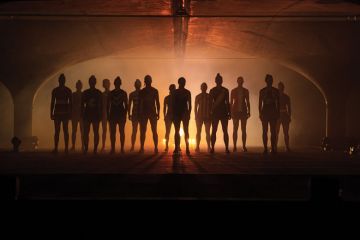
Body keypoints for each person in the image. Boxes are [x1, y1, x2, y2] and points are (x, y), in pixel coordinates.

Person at [50, 73, 72, 154]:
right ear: (59, 80)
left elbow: (71, 103)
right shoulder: (65, 90)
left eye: (63, 79)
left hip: (63, 113)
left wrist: (51, 113)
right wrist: (51, 113)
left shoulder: (65, 90)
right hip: (59, 113)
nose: (62, 81)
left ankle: (64, 148)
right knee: (58, 131)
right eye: (61, 79)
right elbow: (52, 102)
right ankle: (57, 148)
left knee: (63, 131)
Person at [209, 73, 231, 154]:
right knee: (214, 131)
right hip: (216, 112)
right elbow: (210, 103)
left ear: (221, 81)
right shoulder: (213, 90)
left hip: (223, 112)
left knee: (224, 131)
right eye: (218, 80)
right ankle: (213, 148)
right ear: (216, 81)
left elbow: (227, 102)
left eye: (219, 80)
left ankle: (226, 148)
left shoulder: (225, 90)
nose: (218, 81)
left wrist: (229, 112)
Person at [139, 75, 160, 154]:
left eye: (148, 80)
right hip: (147, 112)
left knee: (152, 130)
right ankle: (143, 147)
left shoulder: (153, 91)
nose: (148, 81)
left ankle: (155, 147)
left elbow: (157, 102)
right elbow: (141, 103)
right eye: (147, 80)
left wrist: (158, 112)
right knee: (145, 131)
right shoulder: (147, 91)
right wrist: (158, 112)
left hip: (151, 112)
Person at [259, 74, 280, 154]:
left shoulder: (275, 91)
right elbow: (260, 103)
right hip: (265, 112)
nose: (270, 81)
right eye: (269, 80)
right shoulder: (263, 91)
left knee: (273, 131)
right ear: (266, 81)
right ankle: (265, 148)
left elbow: (278, 103)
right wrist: (260, 113)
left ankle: (272, 148)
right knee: (265, 131)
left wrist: (278, 113)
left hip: (272, 112)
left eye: (270, 80)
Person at [81, 75, 102, 154]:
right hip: (88, 114)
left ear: (95, 82)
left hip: (94, 114)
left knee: (95, 132)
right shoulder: (86, 92)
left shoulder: (97, 93)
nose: (92, 83)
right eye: (91, 81)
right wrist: (82, 114)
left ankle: (94, 149)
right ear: (89, 82)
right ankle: (87, 148)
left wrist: (100, 114)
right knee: (87, 132)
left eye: (93, 81)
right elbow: (82, 104)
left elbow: (100, 105)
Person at [108, 77, 128, 154]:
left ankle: (120, 148)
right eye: (117, 82)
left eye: (118, 82)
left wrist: (125, 115)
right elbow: (108, 105)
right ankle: (115, 148)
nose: (117, 83)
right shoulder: (120, 93)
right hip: (115, 114)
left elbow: (126, 105)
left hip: (118, 114)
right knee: (116, 132)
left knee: (120, 132)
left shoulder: (122, 93)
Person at [231, 76, 250, 152]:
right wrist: (231, 112)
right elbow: (231, 102)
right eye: (239, 81)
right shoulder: (233, 91)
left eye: (241, 81)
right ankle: (235, 146)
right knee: (235, 129)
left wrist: (249, 111)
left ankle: (244, 146)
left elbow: (247, 101)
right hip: (236, 112)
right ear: (237, 82)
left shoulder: (246, 91)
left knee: (243, 129)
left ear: (242, 82)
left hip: (243, 112)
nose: (240, 82)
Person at [173, 78, 192, 155]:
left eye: (183, 82)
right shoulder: (176, 92)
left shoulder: (187, 92)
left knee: (185, 130)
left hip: (184, 113)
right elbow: (173, 103)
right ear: (179, 83)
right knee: (177, 131)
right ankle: (177, 147)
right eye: (182, 82)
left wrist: (189, 113)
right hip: (178, 113)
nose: (183, 83)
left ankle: (187, 147)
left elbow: (189, 104)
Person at [195, 82, 212, 153]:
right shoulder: (198, 96)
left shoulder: (209, 96)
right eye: (203, 86)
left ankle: (208, 146)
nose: (204, 88)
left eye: (205, 86)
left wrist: (211, 114)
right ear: (201, 88)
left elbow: (212, 106)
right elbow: (195, 107)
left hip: (208, 116)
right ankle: (197, 146)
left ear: (206, 88)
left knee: (207, 132)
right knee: (199, 132)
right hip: (199, 116)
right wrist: (196, 115)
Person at [276, 82, 292, 152]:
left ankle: (287, 147)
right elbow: (289, 108)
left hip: (283, 115)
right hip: (279, 115)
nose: (281, 88)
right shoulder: (279, 97)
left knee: (285, 132)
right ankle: (275, 146)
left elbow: (289, 107)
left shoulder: (285, 97)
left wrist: (289, 116)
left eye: (281, 87)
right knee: (277, 132)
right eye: (280, 87)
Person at [128, 79, 142, 152]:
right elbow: (129, 105)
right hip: (135, 114)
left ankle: (140, 147)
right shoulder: (132, 94)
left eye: (138, 84)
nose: (137, 85)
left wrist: (129, 114)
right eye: (137, 84)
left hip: (141, 114)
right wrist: (129, 114)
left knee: (140, 131)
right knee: (135, 130)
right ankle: (133, 146)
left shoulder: (143, 93)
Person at [71, 80, 83, 151]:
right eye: (78, 85)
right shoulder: (74, 94)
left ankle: (82, 146)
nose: (79, 86)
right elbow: (71, 105)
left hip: (80, 114)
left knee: (81, 131)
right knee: (75, 131)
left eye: (79, 85)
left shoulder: (81, 94)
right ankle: (73, 146)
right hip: (76, 114)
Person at [163, 84, 176, 152]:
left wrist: (164, 116)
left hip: (172, 116)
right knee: (169, 132)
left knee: (168, 132)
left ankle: (168, 146)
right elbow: (164, 108)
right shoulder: (168, 98)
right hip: (171, 116)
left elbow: (164, 108)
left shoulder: (167, 98)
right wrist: (164, 116)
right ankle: (167, 146)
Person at [101, 79, 111, 152]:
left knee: (111, 130)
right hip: (104, 113)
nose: (107, 85)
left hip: (110, 113)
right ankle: (103, 146)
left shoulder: (111, 93)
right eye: (105, 83)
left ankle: (111, 145)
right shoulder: (102, 94)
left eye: (107, 83)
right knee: (104, 130)